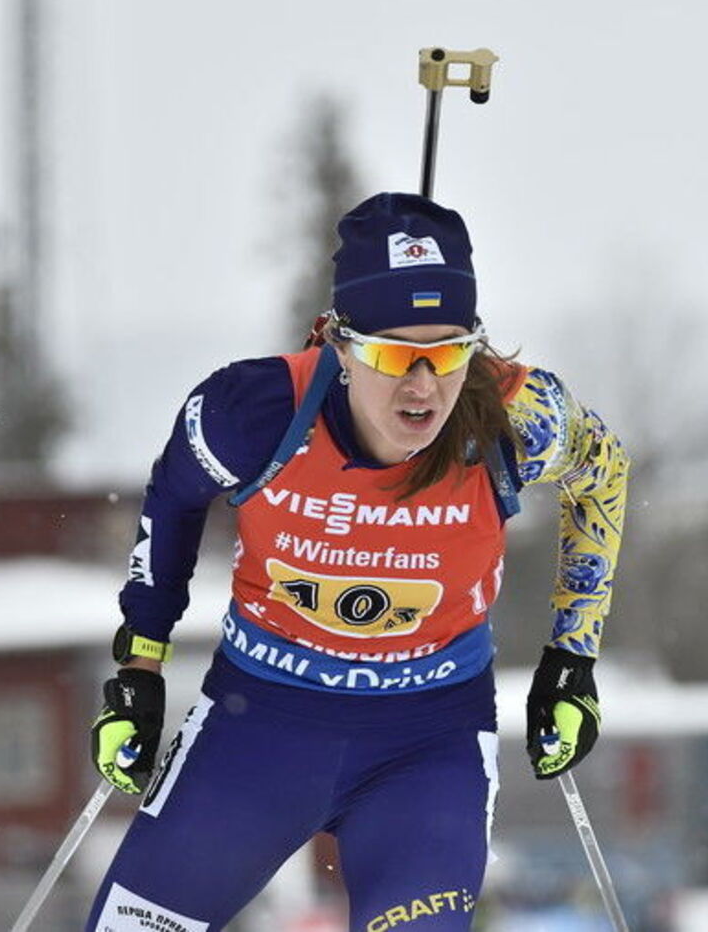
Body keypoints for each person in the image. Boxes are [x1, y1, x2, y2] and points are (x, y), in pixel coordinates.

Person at [86, 193, 628, 932]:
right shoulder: (252, 412)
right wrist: (140, 667)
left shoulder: (516, 417)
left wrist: (572, 658)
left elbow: (604, 473)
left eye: (447, 353)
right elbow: (174, 499)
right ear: (340, 345)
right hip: (257, 730)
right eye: (394, 355)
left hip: (426, 747)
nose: (424, 385)